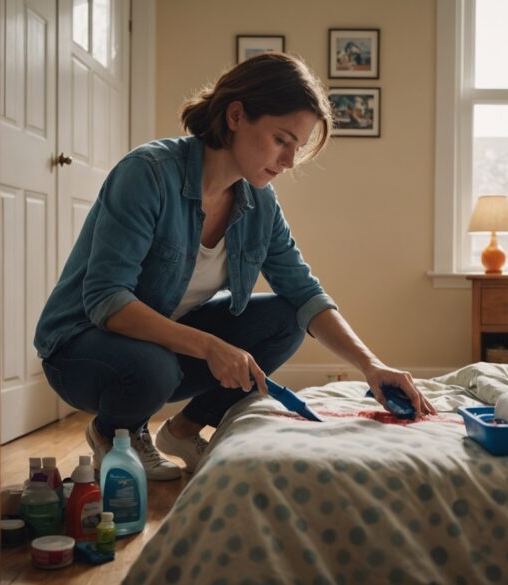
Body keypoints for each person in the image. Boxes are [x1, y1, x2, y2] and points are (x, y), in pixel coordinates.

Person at [33, 53, 436, 481]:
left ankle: (183, 431)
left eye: (297, 148)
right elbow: (108, 301)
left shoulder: (260, 202)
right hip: (80, 347)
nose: (288, 161)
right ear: (236, 115)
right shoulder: (147, 174)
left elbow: (304, 293)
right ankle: (115, 432)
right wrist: (209, 346)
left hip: (164, 345)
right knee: (155, 367)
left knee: (285, 319)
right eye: (282, 140)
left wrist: (371, 365)